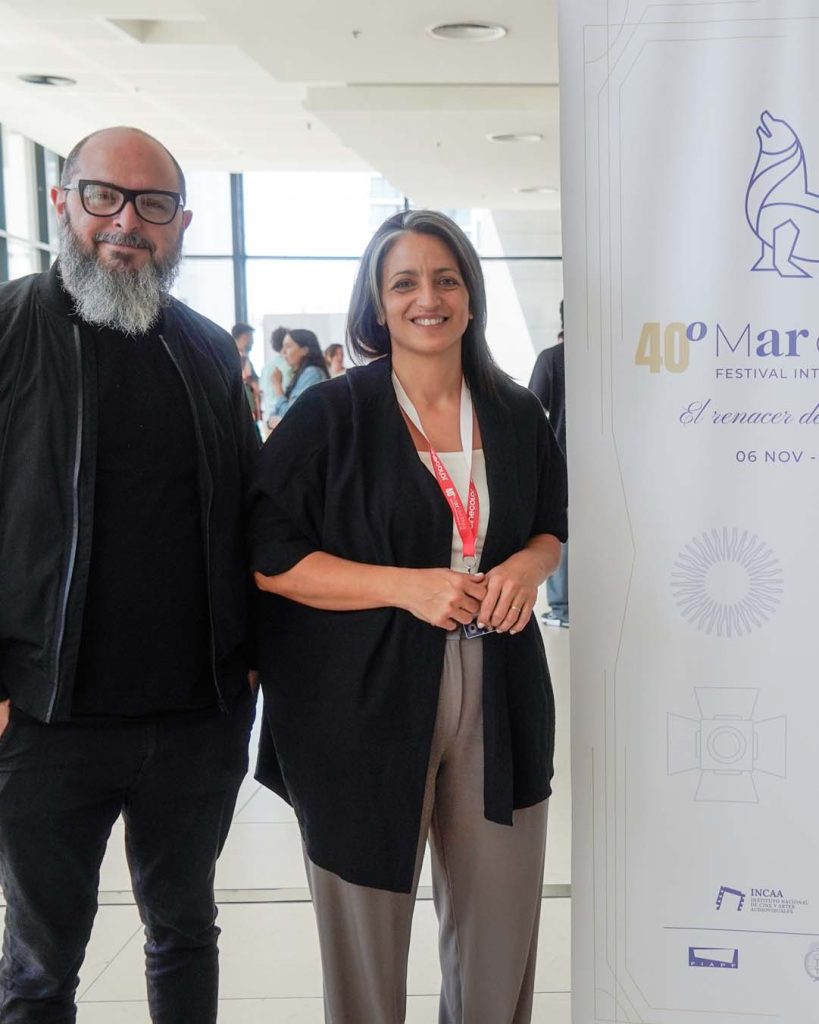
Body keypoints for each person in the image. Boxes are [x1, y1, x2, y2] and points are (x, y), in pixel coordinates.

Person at [250, 209, 567, 1023]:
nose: (427, 298)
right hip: (361, 694)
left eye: (445, 279)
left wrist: (528, 566)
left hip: (501, 686)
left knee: (498, 936)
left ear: (470, 295)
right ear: (377, 305)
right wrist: (406, 586)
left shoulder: (514, 413)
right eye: (404, 283)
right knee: (366, 944)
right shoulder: (331, 416)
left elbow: (548, 528)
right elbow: (268, 557)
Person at [0, 126, 258, 1024]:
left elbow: (250, 512)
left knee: (184, 933)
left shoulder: (206, 350)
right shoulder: (9, 331)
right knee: (41, 965)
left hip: (195, 719)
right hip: (46, 717)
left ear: (180, 222)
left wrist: (248, 662)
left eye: (152, 204)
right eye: (103, 196)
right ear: (61, 202)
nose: (126, 222)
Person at [529, 301, 568, 627]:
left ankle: (562, 609)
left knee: (560, 535)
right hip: (609, 466)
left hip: (562, 460)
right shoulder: (610, 357)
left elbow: (533, 406)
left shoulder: (552, 358)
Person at [267, 327, 329, 426]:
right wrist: (272, 421)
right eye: (283, 346)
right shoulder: (299, 374)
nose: (283, 351)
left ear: (305, 350)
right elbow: (273, 415)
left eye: (288, 346)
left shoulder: (312, 373)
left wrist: (277, 386)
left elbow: (291, 415)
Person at [231, 321, 263, 426]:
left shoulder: (237, 357)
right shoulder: (240, 359)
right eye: (251, 337)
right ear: (245, 337)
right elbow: (251, 382)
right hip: (245, 411)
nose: (252, 342)